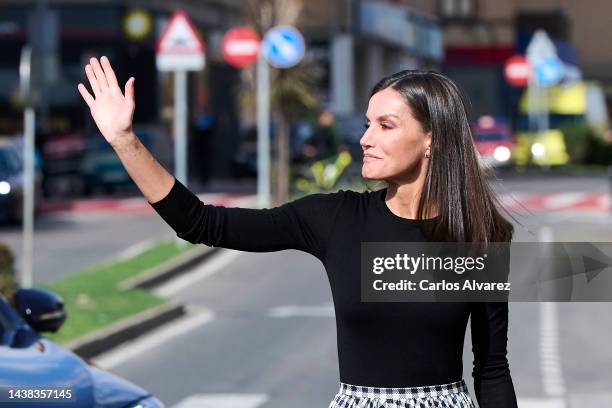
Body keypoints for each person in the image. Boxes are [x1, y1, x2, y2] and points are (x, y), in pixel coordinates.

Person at [77, 56, 518, 408]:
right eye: (367, 123)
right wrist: (125, 141)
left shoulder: (480, 236)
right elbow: (200, 222)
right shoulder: (335, 218)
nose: (365, 138)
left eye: (385, 125)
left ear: (431, 139)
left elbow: (492, 368)